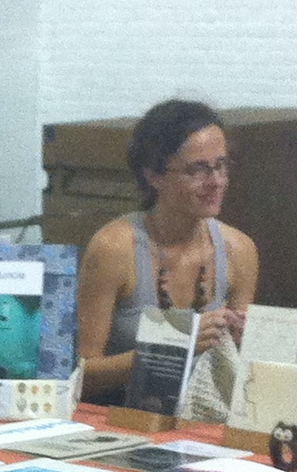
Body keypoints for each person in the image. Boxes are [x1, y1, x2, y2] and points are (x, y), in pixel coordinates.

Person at [76, 100, 260, 417]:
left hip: (206, 420)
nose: (215, 182)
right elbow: (80, 377)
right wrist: (174, 349)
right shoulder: (114, 249)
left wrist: (249, 342)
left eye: (221, 165)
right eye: (197, 169)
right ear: (153, 176)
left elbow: (242, 374)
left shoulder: (238, 250)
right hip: (122, 422)